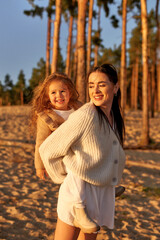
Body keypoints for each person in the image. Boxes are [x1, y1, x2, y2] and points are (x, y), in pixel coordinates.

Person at [39, 64, 126, 240]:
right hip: (77, 194)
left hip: (100, 190)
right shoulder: (86, 115)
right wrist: (65, 178)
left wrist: (110, 180)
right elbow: (47, 149)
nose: (96, 90)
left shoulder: (114, 117)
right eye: (91, 85)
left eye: (102, 84)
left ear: (115, 87)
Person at [31, 72, 100, 234]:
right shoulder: (46, 116)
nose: (59, 96)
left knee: (98, 148)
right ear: (47, 96)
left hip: (82, 151)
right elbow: (40, 142)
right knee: (76, 165)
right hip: (61, 157)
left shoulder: (78, 108)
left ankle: (106, 185)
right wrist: (39, 166)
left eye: (63, 91)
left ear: (69, 92)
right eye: (53, 92)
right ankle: (79, 209)